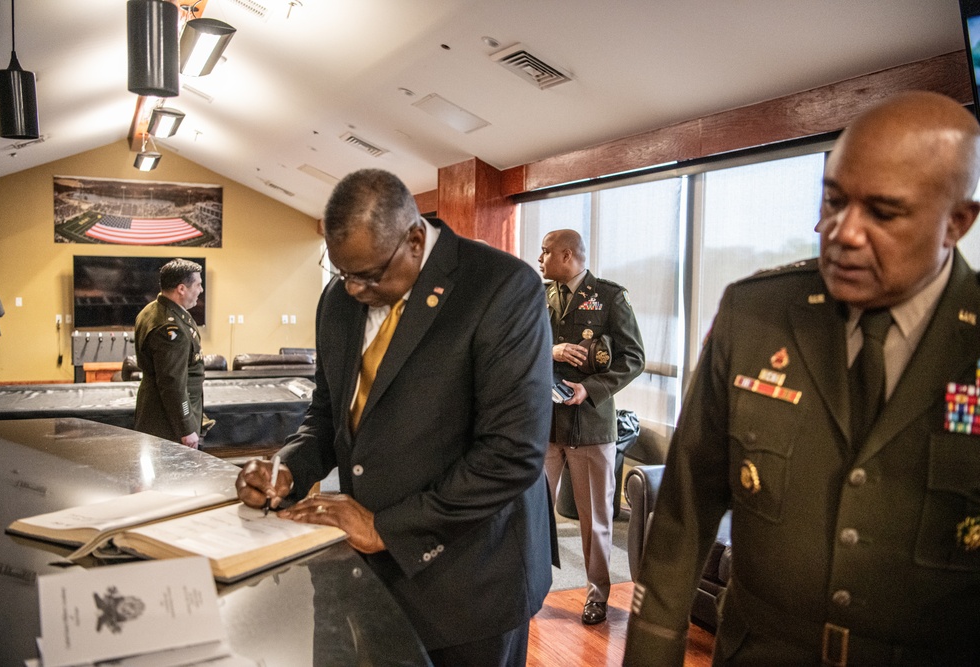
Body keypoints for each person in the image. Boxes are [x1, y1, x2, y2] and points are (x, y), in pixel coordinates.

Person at [624, 90, 980, 666]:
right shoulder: (755, 316)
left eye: (883, 212)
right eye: (834, 202)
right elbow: (685, 512)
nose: (843, 232)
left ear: (957, 223)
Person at [235, 169, 555, 666]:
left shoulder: (501, 288)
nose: (355, 289)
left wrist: (387, 528)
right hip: (369, 575)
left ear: (413, 239)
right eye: (343, 273)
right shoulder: (337, 300)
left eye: (369, 275)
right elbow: (328, 412)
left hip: (472, 581)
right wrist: (290, 467)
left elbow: (511, 454)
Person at [538, 229, 644, 625]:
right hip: (545, 425)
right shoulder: (543, 295)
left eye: (546, 252)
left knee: (596, 520)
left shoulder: (611, 296)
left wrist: (590, 388)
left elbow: (634, 357)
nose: (539, 258)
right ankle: (533, 586)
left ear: (567, 256)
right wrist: (553, 350)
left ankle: (597, 595)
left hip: (591, 425)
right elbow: (526, 345)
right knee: (534, 512)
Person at [133, 258, 206, 449]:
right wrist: (186, 427)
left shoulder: (153, 309)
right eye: (198, 285)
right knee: (174, 476)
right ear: (181, 289)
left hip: (159, 413)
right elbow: (172, 383)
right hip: (167, 423)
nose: (201, 290)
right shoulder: (171, 328)